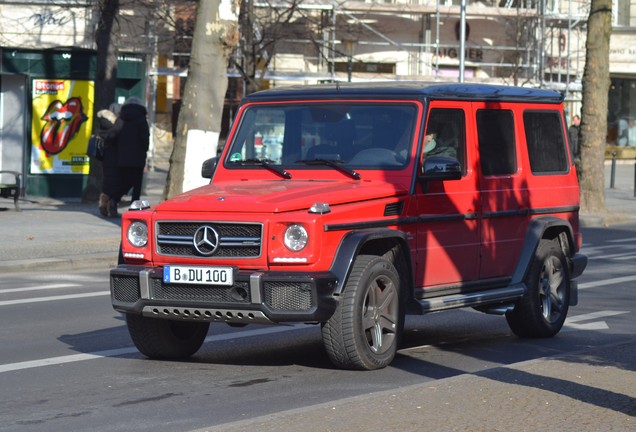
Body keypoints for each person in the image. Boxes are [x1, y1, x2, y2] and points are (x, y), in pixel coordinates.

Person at [107, 96, 150, 217]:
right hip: (138, 156)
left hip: (122, 156)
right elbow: (145, 139)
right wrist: (144, 150)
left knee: (124, 181)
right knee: (136, 184)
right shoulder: (142, 120)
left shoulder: (122, 118)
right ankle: (134, 209)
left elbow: (113, 134)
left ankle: (114, 200)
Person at [96, 103, 121, 216]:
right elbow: (114, 133)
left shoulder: (106, 121)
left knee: (110, 180)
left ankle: (106, 204)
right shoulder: (109, 122)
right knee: (110, 181)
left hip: (110, 155)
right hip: (110, 155)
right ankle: (105, 204)